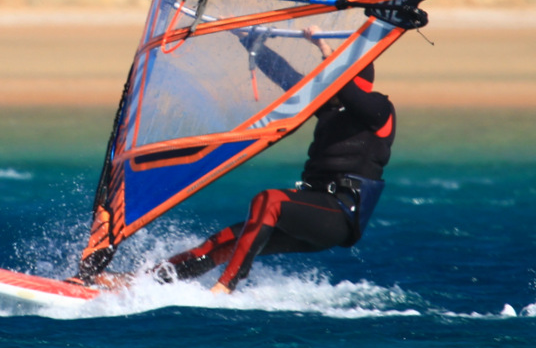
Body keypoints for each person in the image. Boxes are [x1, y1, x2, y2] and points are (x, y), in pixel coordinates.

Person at [154, 29, 396, 293]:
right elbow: (284, 74)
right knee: (220, 242)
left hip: (339, 216)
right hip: (311, 208)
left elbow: (348, 91)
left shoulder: (380, 111)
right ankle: (144, 281)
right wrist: (248, 39)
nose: (323, 82)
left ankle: (226, 286)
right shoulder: (330, 106)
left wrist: (324, 48)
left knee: (269, 200)